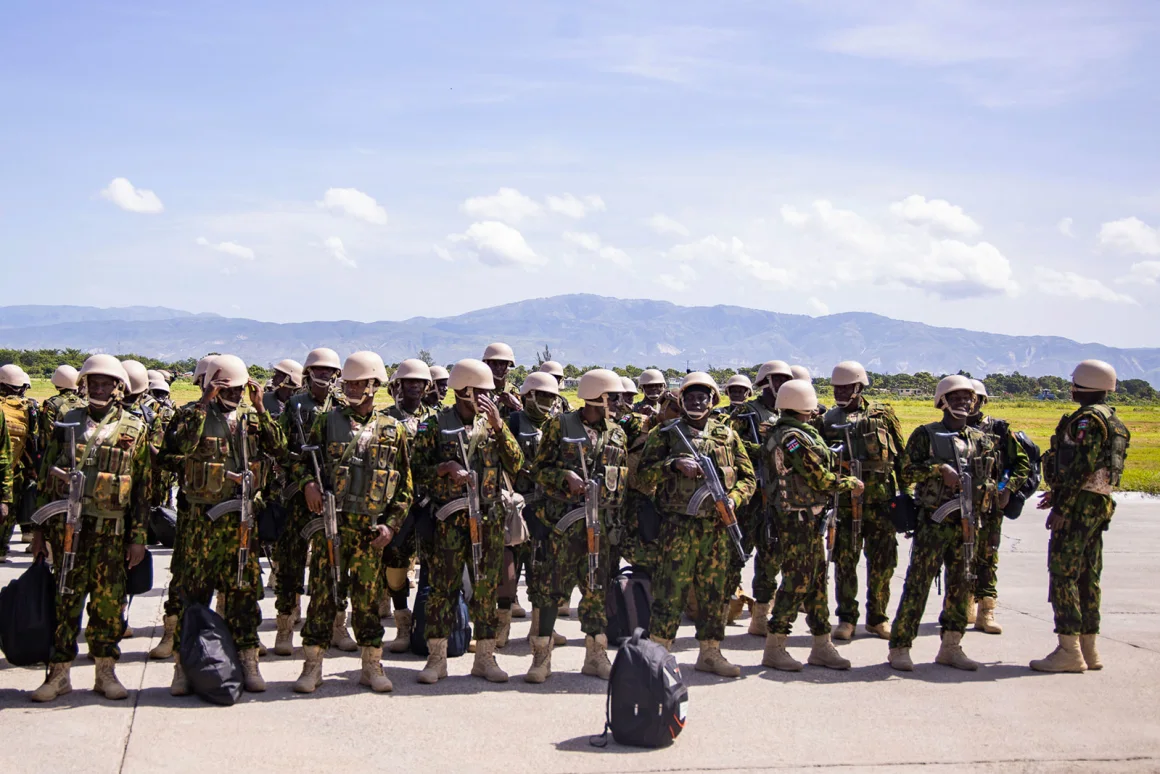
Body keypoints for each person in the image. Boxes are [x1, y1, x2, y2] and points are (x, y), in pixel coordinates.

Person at [27, 355, 152, 702]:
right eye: (92, 382)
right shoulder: (66, 422)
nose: (98, 388)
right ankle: (59, 674)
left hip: (111, 533)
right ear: (83, 385)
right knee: (65, 601)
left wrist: (138, 538)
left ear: (118, 387)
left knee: (108, 604)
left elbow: (143, 489)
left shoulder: (135, 428)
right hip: (69, 532)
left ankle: (105, 671)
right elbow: (45, 477)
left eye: (105, 383)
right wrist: (39, 531)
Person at [292, 352, 413, 694]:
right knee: (322, 595)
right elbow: (300, 462)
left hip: (370, 531)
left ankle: (372, 664)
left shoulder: (393, 429)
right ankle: (312, 665)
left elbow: (405, 486)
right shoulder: (326, 422)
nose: (352, 389)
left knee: (368, 600)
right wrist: (308, 484)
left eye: (359, 384)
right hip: (333, 525)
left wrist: (391, 525)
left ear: (374, 385)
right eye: (348, 383)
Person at [164, 354, 285, 695]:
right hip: (200, 523)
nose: (233, 394)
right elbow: (175, 451)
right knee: (192, 594)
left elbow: (280, 449)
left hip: (240, 524)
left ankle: (248, 661)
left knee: (243, 594)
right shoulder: (191, 414)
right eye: (225, 388)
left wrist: (261, 408)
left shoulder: (252, 418)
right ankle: (183, 666)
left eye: (238, 389)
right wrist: (204, 404)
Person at [411, 359, 523, 684]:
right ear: (464, 390)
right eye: (482, 391)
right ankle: (437, 659)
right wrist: (444, 469)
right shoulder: (435, 425)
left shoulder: (493, 426)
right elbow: (415, 471)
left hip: (488, 520)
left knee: (486, 589)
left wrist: (500, 427)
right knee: (442, 589)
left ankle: (485, 657)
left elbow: (517, 463)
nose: (488, 397)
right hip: (448, 522)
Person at [636, 372, 755, 678]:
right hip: (678, 527)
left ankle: (710, 652)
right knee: (669, 591)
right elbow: (642, 476)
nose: (696, 402)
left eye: (703, 397)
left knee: (714, 593)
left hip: (716, 529)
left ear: (713, 400)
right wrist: (673, 465)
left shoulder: (727, 435)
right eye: (690, 397)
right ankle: (658, 654)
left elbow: (748, 478)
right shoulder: (665, 434)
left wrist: (734, 499)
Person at [887, 375, 1000, 672]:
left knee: (962, 585)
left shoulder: (981, 439)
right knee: (918, 584)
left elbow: (991, 479)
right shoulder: (926, 434)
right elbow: (906, 471)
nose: (964, 402)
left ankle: (951, 646)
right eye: (956, 397)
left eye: (968, 398)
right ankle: (900, 646)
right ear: (943, 402)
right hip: (934, 522)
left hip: (967, 523)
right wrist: (938, 469)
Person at [525, 369, 627, 683]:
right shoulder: (560, 425)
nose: (619, 402)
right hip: (562, 525)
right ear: (596, 396)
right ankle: (541, 658)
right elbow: (538, 470)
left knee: (596, 590)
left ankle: (596, 655)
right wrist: (563, 477)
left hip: (599, 527)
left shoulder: (617, 433)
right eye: (613, 397)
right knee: (550, 590)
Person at [1031, 360, 1130, 673]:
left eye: (1074, 384)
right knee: (1089, 574)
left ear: (1084, 385)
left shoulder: (1087, 420)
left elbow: (1082, 465)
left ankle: (1068, 650)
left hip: (1078, 505)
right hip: (1099, 502)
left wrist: (1063, 506)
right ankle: (1089, 648)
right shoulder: (1114, 420)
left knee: (1064, 573)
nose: (1071, 388)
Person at [761, 379, 859, 672]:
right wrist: (849, 483)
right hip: (796, 520)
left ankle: (821, 644)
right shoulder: (792, 437)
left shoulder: (796, 432)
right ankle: (775, 645)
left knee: (816, 582)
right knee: (797, 581)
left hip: (809, 517)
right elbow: (817, 476)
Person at [819, 361, 906, 641]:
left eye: (846, 388)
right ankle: (846, 618)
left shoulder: (882, 414)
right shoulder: (828, 419)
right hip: (845, 503)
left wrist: (907, 496)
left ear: (859, 387)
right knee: (844, 562)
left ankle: (878, 618)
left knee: (882, 563)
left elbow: (901, 455)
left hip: (881, 502)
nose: (840, 393)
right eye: (837, 388)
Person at [149, 355, 218, 660]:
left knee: (232, 576)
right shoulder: (187, 414)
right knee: (184, 574)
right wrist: (193, 467)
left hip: (229, 512)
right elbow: (165, 457)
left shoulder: (240, 418)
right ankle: (172, 633)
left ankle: (224, 633)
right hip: (193, 510)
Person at [963, 378, 1030, 635]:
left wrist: (1008, 489)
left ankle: (987, 611)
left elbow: (1022, 464)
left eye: (973, 398)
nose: (969, 403)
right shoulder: (950, 429)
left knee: (988, 556)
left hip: (990, 505)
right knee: (960, 556)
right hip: (959, 503)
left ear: (982, 401)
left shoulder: (999, 429)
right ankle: (965, 604)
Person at [730, 360, 792, 637]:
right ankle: (722, 608)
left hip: (777, 495)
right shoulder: (746, 412)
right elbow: (731, 445)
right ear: (765, 382)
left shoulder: (786, 413)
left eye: (785, 380)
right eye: (777, 379)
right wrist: (765, 449)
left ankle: (760, 615)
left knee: (771, 556)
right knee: (737, 552)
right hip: (751, 495)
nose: (781, 385)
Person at [508, 372, 567, 649]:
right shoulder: (513, 422)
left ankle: (539, 628)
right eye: (542, 395)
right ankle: (500, 630)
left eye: (552, 396)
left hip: (547, 508)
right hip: (518, 505)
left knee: (542, 569)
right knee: (509, 569)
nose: (548, 401)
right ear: (528, 395)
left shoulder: (558, 425)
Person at [379, 358, 433, 652]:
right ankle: (402, 623)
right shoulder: (384, 419)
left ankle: (429, 624)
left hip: (429, 501)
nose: (414, 386)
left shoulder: (436, 418)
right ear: (397, 385)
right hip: (397, 503)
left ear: (426, 387)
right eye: (408, 381)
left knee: (434, 562)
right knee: (396, 563)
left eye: (419, 382)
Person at [0, 363, 38, 560]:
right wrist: (31, 467)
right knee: (9, 507)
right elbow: (33, 439)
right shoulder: (28, 407)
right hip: (12, 467)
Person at [38, 365, 84, 440]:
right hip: (81, 444)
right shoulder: (84, 402)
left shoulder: (51, 404)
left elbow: (48, 431)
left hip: (59, 446)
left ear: (56, 385)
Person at [482, 342, 522, 417]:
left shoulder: (513, 391)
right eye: (493, 363)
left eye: (502, 363)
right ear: (487, 364)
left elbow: (524, 419)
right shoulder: (479, 391)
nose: (498, 368)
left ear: (508, 365)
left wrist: (517, 406)